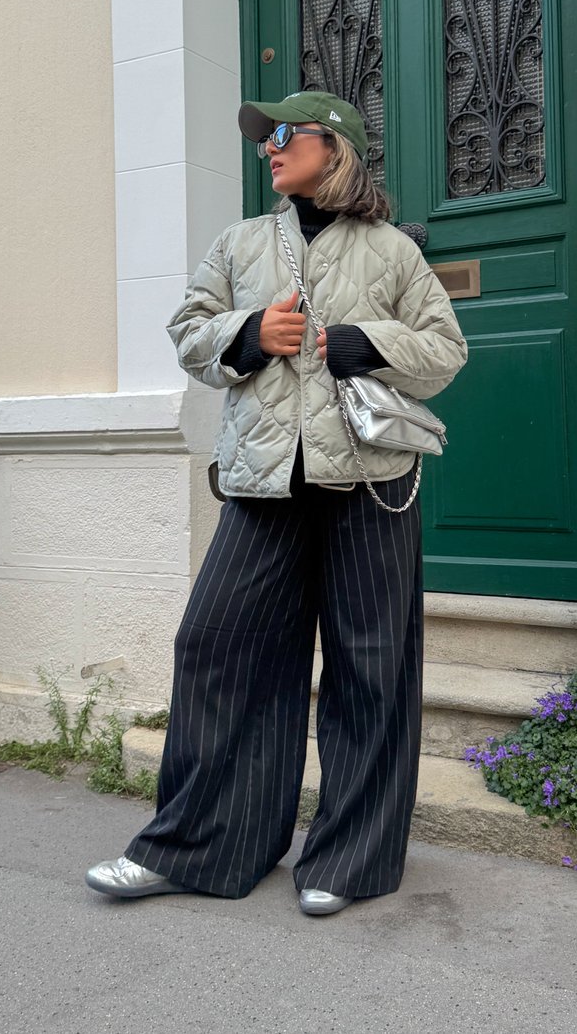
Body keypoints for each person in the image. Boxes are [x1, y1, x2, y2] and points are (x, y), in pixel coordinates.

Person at [86, 91, 467, 915]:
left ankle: (349, 859)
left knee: (370, 668)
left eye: (287, 133)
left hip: (371, 485)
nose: (270, 147)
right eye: (267, 137)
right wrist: (251, 333)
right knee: (215, 645)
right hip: (263, 484)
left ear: (337, 147)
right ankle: (199, 845)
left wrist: (366, 344)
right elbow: (189, 331)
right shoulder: (241, 243)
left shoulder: (392, 252)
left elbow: (445, 350)